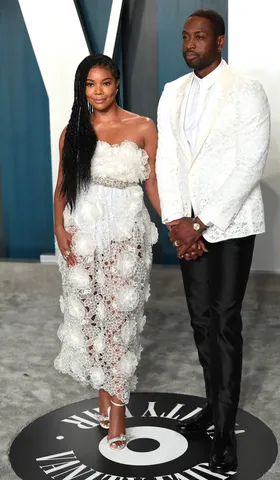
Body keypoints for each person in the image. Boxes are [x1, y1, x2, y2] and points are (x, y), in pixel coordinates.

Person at [156, 9, 270, 473]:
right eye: (185, 37)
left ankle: (224, 432)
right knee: (201, 322)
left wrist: (200, 224)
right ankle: (211, 407)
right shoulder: (172, 91)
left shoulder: (245, 88)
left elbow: (250, 163)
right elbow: (166, 159)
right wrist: (176, 220)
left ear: (219, 42)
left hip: (232, 225)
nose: (190, 44)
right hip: (187, 227)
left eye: (199, 36)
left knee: (225, 323)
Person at [53, 54, 160, 451]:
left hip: (126, 236)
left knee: (120, 320)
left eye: (106, 83)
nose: (98, 92)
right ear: (82, 89)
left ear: (117, 84)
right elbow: (63, 184)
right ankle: (103, 392)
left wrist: (179, 225)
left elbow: (153, 187)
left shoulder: (143, 127)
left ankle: (118, 410)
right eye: (90, 84)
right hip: (82, 233)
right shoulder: (74, 131)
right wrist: (59, 228)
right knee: (93, 319)